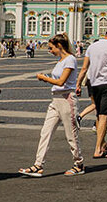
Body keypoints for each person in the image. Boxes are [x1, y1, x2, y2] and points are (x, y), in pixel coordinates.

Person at [19, 34, 83, 177]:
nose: (50, 50)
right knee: (45, 132)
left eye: (51, 48)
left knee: (71, 134)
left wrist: (44, 78)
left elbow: (61, 82)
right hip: (55, 100)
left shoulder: (70, 60)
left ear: (59, 46)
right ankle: (38, 165)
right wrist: (47, 79)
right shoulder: (60, 61)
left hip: (67, 99)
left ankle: (79, 164)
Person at [75, 25, 107, 159]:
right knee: (104, 117)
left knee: (99, 116)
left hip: (93, 84)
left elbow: (84, 68)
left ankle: (102, 143)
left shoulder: (92, 46)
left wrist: (78, 84)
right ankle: (98, 149)